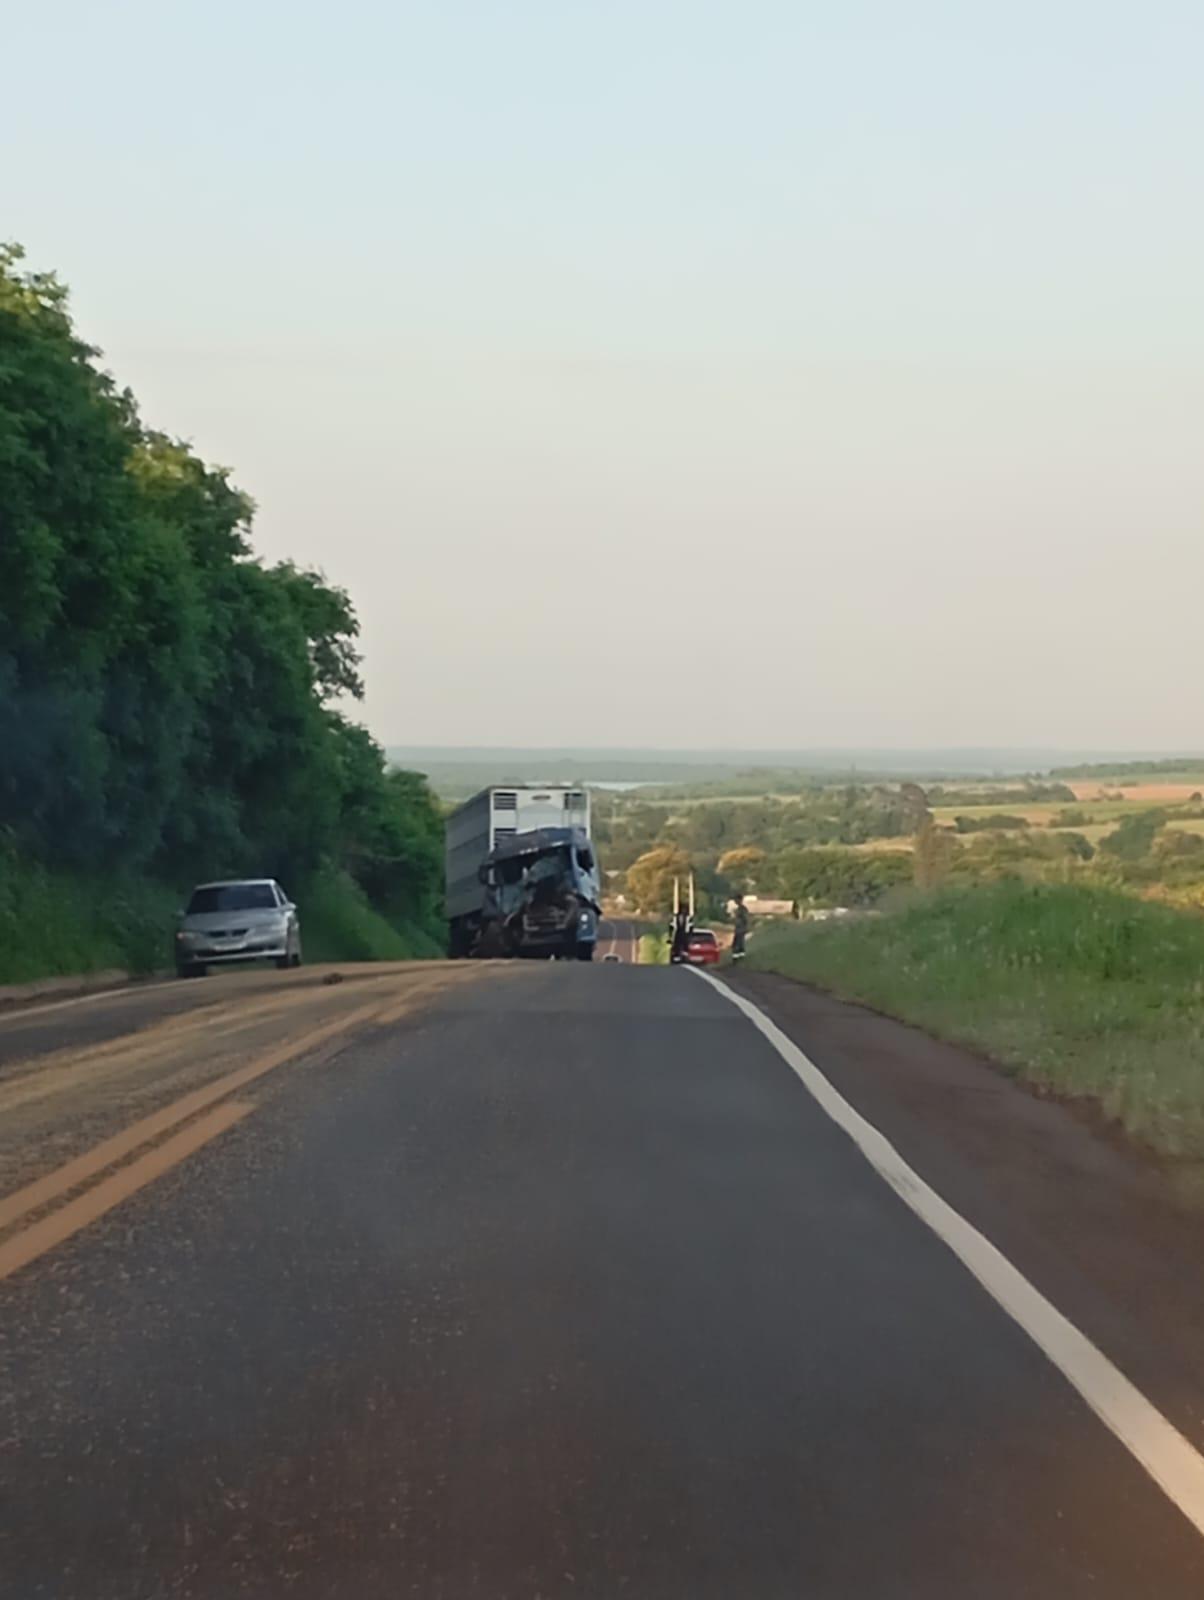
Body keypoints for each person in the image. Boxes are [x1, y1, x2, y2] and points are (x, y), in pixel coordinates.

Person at [731, 894, 749, 961]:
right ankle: (737, 957)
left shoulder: (743, 909)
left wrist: (745, 927)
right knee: (736, 944)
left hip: (741, 929)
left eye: (736, 899)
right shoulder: (739, 909)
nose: (735, 901)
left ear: (740, 900)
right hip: (738, 929)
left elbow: (745, 919)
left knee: (738, 944)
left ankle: (739, 958)